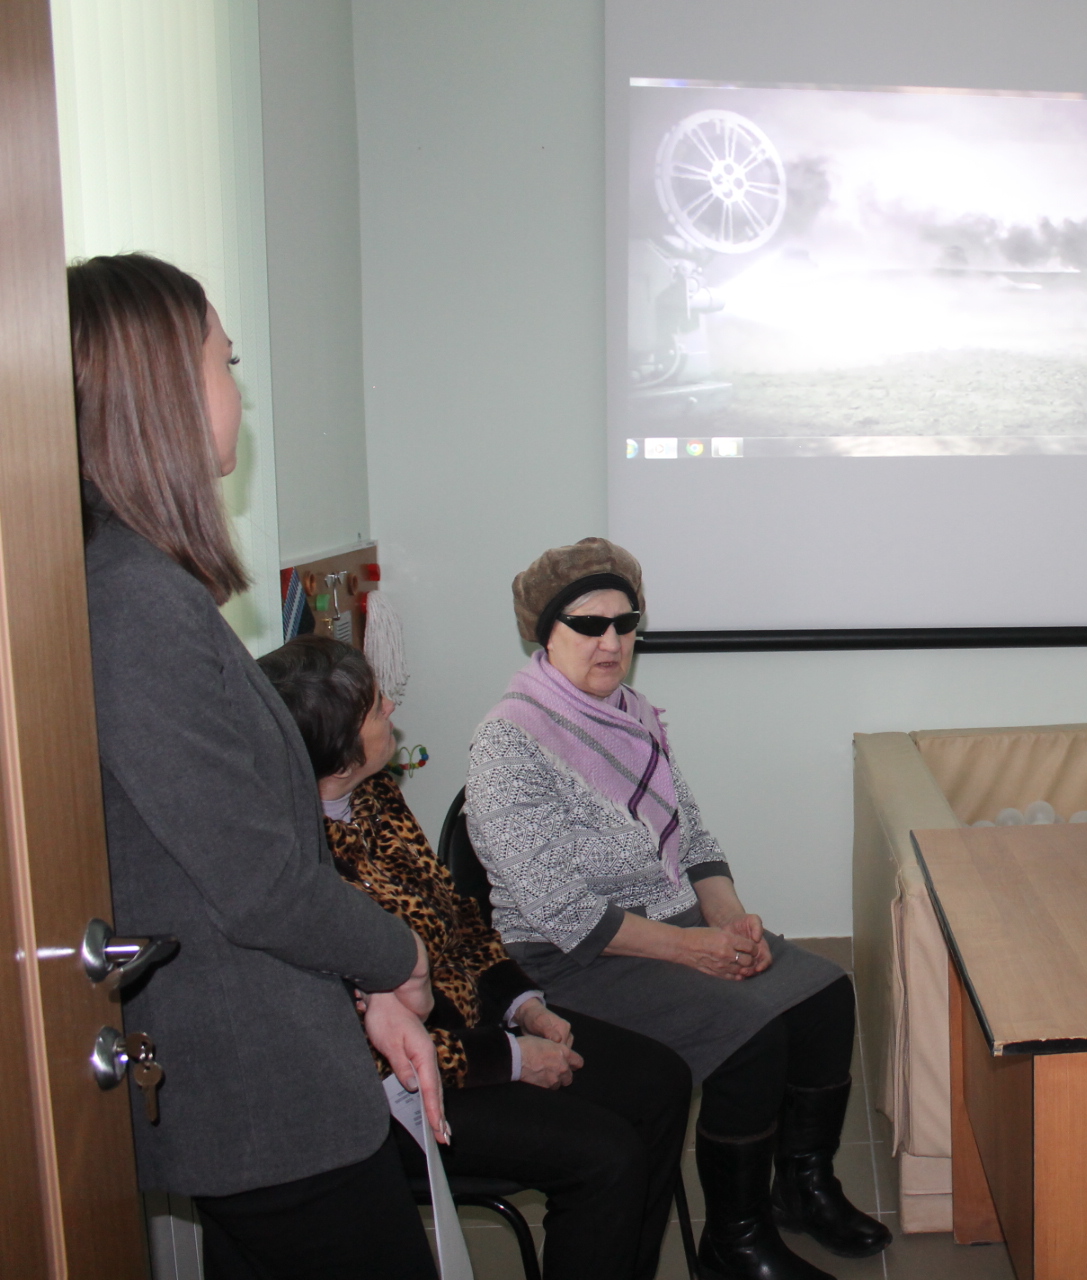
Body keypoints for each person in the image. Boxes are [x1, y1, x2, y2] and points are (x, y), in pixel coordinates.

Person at [72, 252, 444, 1278]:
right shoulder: (134, 601)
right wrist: (396, 955)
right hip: (260, 1088)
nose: (240, 390)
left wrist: (369, 989)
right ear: (163, 391)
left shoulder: (146, 582)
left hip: (273, 1065)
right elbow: (260, 881)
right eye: (225, 361)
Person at [466, 538, 886, 1280]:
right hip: (570, 958)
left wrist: (729, 920)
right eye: (587, 625)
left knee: (825, 996)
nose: (611, 642)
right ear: (543, 631)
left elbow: (691, 836)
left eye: (625, 623)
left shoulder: (630, 713)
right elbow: (561, 911)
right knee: (749, 1035)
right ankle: (734, 1241)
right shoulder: (509, 741)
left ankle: (803, 1187)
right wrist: (694, 950)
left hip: (668, 924)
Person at [261, 636, 695, 1279]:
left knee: (661, 1081)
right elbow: (356, 1047)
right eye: (375, 708)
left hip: (474, 1029)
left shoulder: (375, 795)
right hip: (398, 1091)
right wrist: (514, 1059)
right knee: (606, 1158)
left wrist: (524, 1006)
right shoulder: (291, 863)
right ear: (338, 748)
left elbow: (459, 917)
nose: (391, 707)